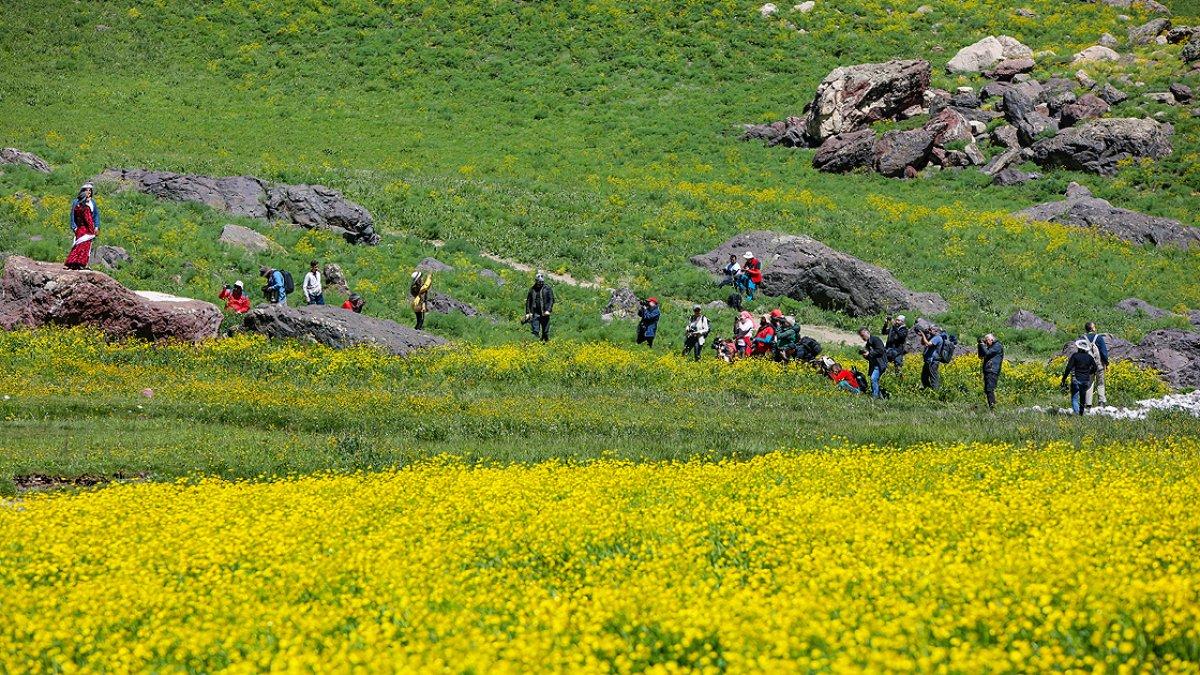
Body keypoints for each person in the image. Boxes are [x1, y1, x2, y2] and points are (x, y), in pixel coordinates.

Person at [65, 183, 100, 270]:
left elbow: (96, 215)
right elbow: (72, 215)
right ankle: (75, 262)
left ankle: (83, 263)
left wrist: (96, 226)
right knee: (80, 244)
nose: (88, 192)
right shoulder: (76, 202)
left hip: (90, 227)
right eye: (86, 190)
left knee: (87, 246)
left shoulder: (93, 203)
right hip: (80, 227)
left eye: (90, 190)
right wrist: (74, 227)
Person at [1061, 339, 1099, 416]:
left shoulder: (1075, 356)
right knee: (1083, 397)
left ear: (1078, 347)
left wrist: (1064, 378)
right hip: (1085, 380)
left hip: (1076, 379)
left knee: (1074, 397)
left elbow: (1068, 368)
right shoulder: (1089, 357)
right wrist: (1089, 373)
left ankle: (1077, 413)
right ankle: (1081, 413)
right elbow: (1095, 368)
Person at [1082, 322, 1110, 409]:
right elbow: (1103, 352)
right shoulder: (1098, 338)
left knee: (1089, 384)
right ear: (1092, 328)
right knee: (1100, 383)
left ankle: (1088, 404)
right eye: (1094, 326)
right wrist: (1106, 363)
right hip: (1099, 365)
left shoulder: (1083, 338)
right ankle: (1101, 402)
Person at [525, 272, 554, 342]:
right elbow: (528, 301)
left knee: (545, 332)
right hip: (535, 313)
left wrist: (548, 310)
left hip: (544, 313)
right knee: (535, 331)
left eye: (541, 282)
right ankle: (536, 344)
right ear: (536, 281)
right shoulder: (532, 289)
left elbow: (551, 300)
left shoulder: (547, 288)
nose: (540, 283)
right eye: (539, 282)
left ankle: (545, 343)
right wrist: (528, 313)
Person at [977, 333, 1004, 410]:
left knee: (989, 389)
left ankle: (993, 408)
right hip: (988, 370)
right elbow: (981, 356)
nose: (986, 343)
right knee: (987, 390)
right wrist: (980, 345)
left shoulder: (997, 346)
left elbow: (987, 353)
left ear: (991, 339)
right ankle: (992, 407)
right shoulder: (991, 346)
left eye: (986, 341)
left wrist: (982, 344)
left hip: (992, 370)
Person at [858, 327, 886, 399]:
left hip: (880, 363)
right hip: (874, 365)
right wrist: (865, 355)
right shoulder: (868, 344)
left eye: (863, 335)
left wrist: (869, 353)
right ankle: (881, 396)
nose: (862, 337)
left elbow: (881, 350)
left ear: (868, 332)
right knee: (874, 380)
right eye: (861, 336)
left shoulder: (875, 339)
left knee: (873, 379)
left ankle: (874, 397)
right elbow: (869, 356)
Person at [883, 315, 909, 379]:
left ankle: (899, 381)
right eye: (896, 320)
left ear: (903, 322)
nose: (896, 321)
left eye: (898, 320)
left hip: (898, 351)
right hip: (889, 350)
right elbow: (883, 332)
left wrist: (894, 325)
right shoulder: (893, 328)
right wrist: (886, 324)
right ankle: (887, 379)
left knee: (898, 367)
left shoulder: (904, 329)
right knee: (885, 365)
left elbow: (900, 336)